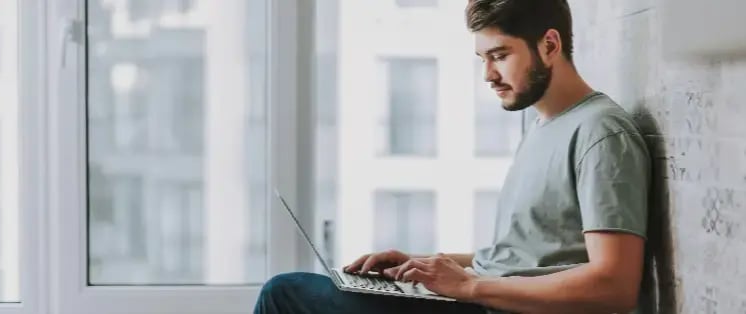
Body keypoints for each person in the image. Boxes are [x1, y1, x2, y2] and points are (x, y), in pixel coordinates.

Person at [254, 0, 651, 313]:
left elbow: (613, 285)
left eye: (499, 55)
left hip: (500, 307)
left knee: (285, 294)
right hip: (486, 299)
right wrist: (426, 264)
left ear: (549, 45)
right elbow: (527, 257)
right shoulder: (541, 126)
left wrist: (469, 286)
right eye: (483, 59)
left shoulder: (601, 132)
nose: (488, 75)